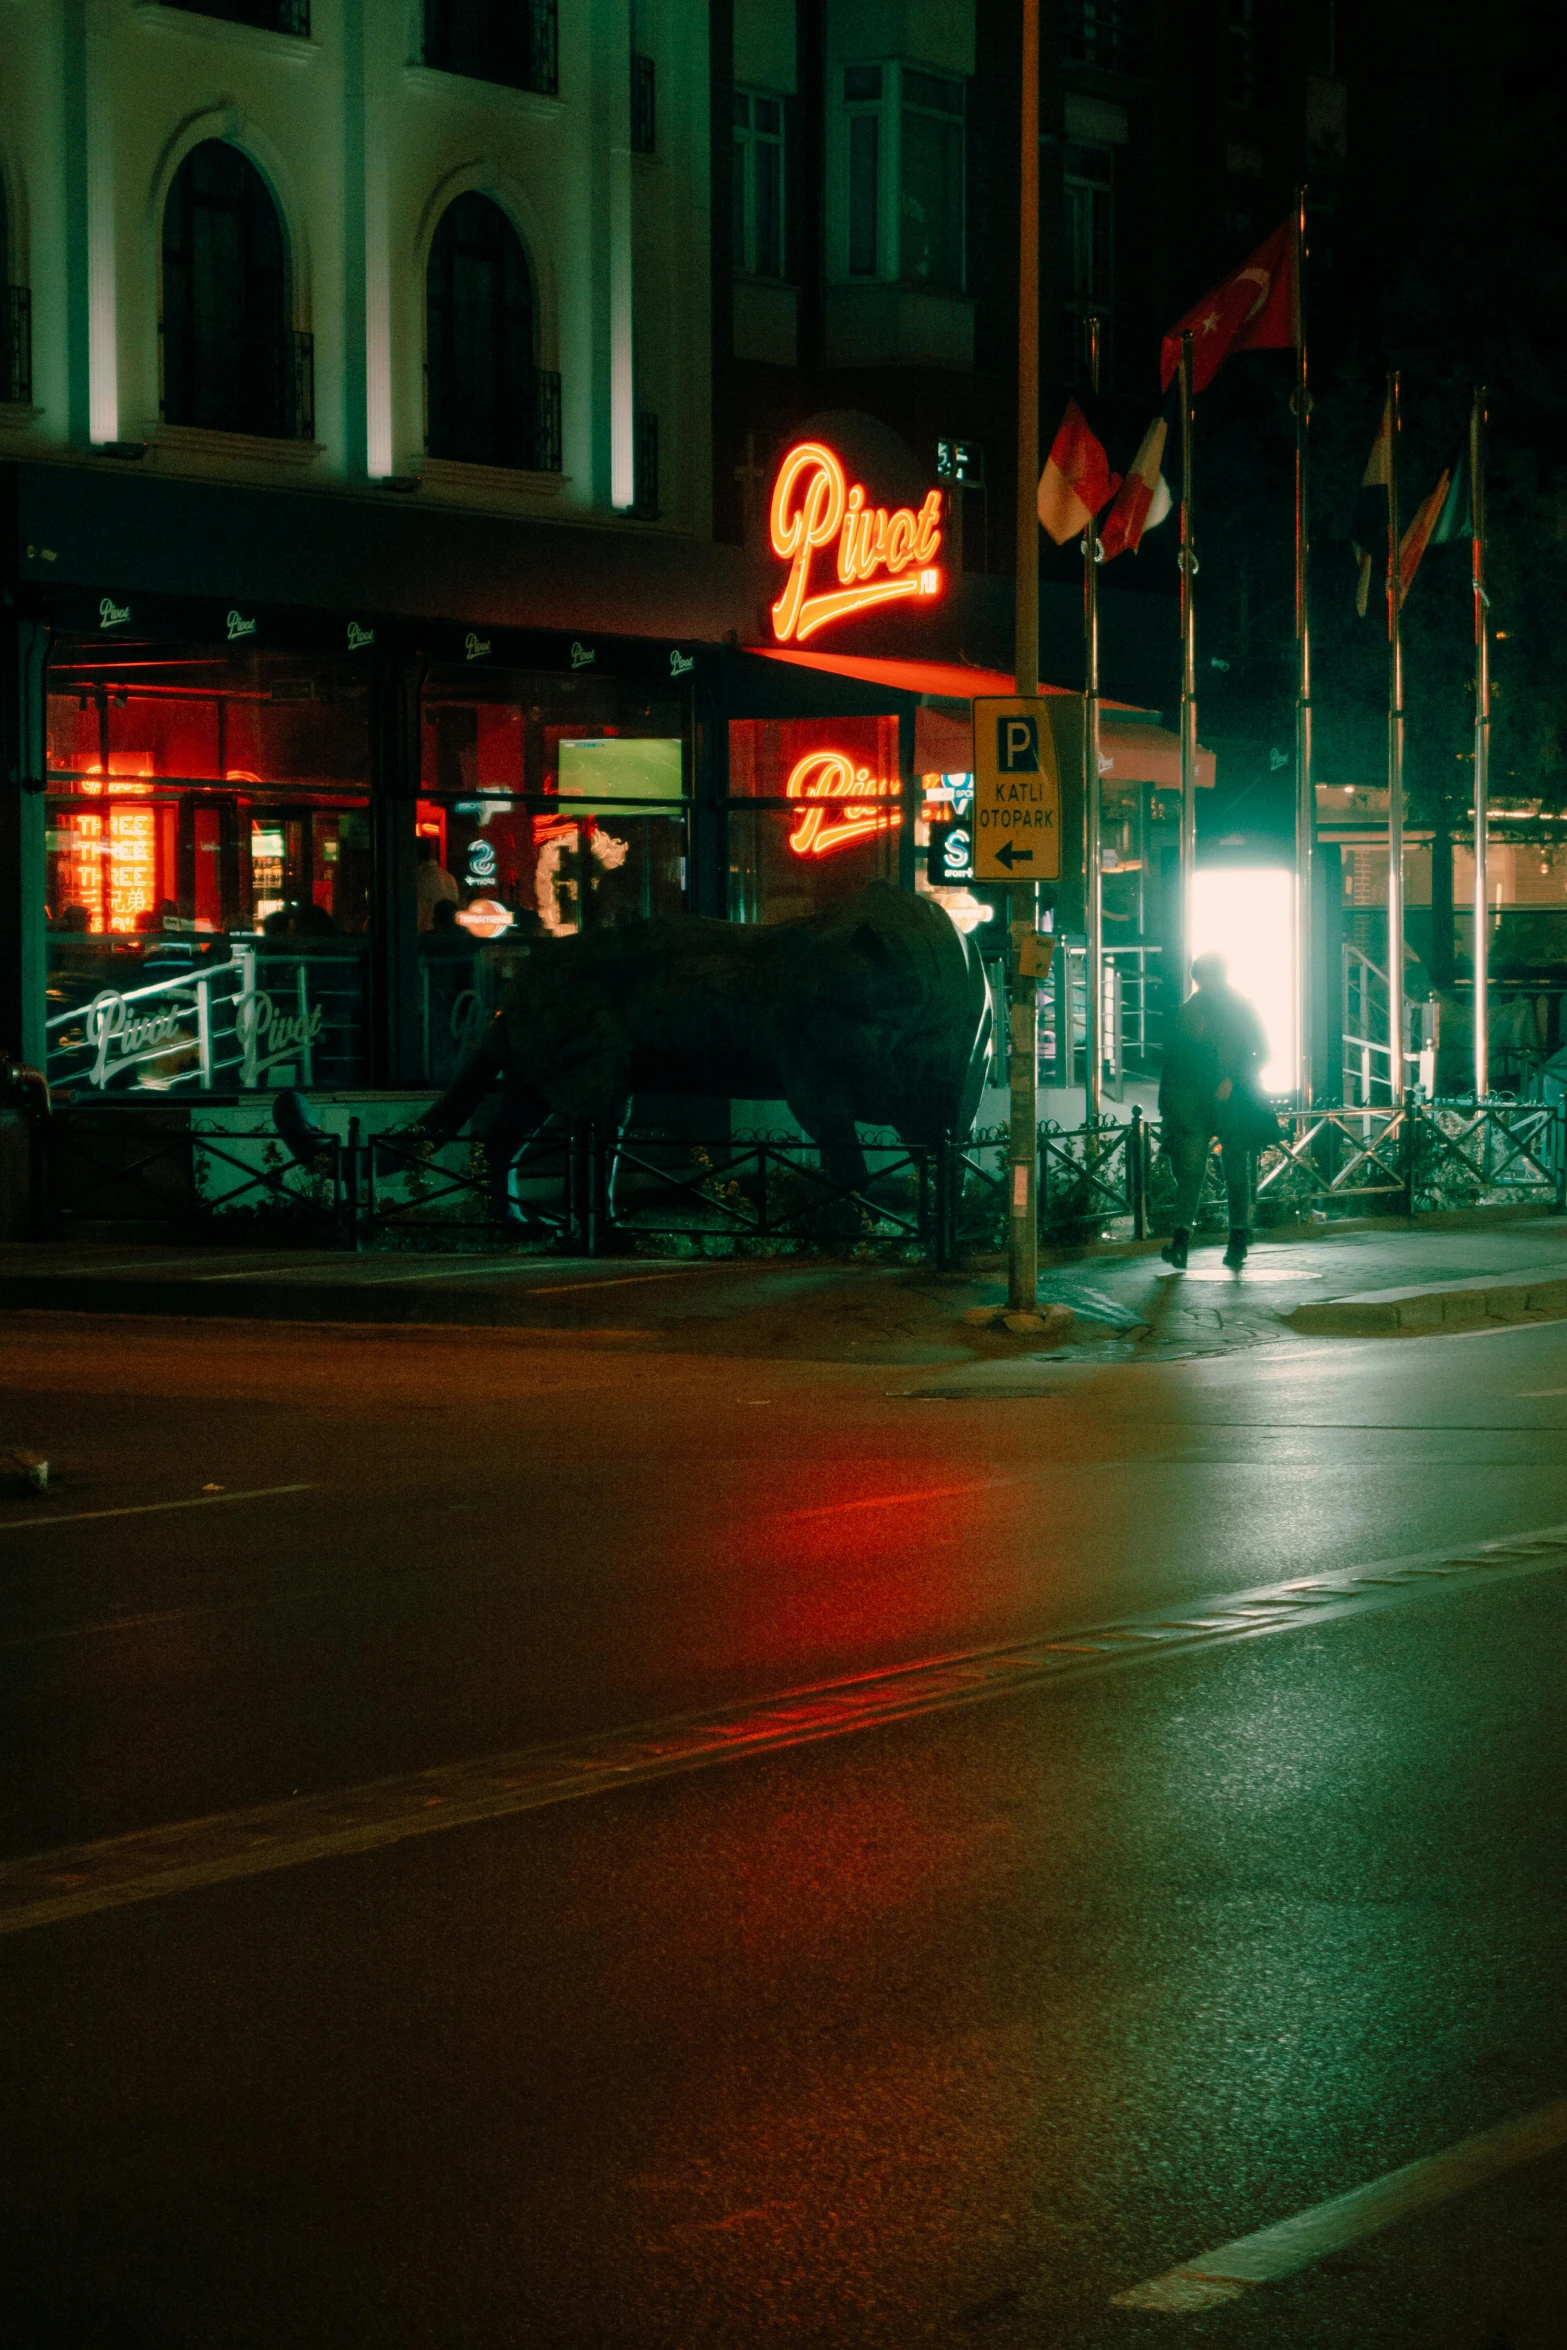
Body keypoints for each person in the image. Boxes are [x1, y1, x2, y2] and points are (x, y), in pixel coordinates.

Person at [1158, 951, 1273, 1272]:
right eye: (1201, 977)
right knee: (1203, 1170)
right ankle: (1200, 1239)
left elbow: (1262, 1052)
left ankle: (1228, 1238)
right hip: (1200, 1102)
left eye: (1210, 976)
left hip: (1219, 1100)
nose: (1205, 983)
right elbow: (1175, 1062)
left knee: (1226, 1169)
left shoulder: (1216, 1009)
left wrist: (1233, 1080)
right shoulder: (1193, 1010)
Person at [416, 836, 459, 932]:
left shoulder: (420, 879)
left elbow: (418, 913)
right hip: (447, 935)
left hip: (426, 937)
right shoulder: (449, 878)